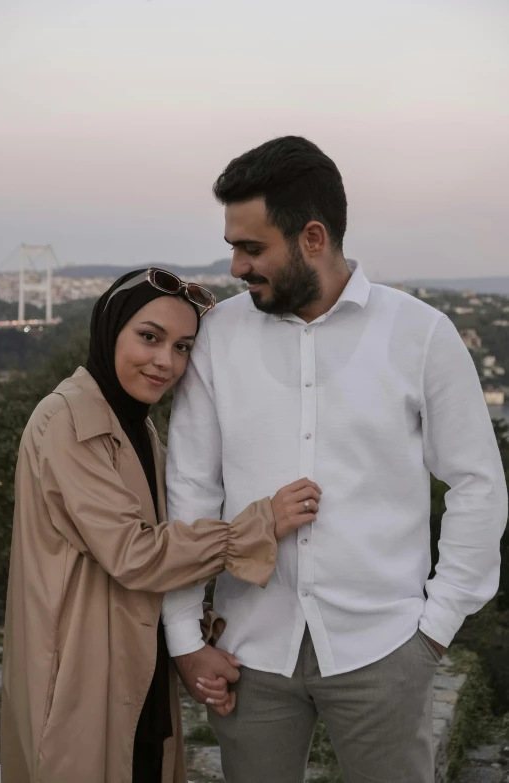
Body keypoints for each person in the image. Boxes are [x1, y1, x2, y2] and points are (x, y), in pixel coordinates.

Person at [162, 137, 508, 783]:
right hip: (248, 649)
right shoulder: (218, 340)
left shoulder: (422, 335)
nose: (234, 265)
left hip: (386, 649)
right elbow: (189, 490)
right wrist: (184, 635)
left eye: (251, 247)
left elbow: (477, 483)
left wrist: (435, 627)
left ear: (313, 237)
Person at [0, 267, 320, 783]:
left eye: (183, 347)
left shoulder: (133, 424)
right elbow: (135, 553)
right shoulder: (69, 421)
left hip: (131, 660)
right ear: (110, 329)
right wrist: (259, 523)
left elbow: (167, 541)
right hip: (82, 670)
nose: (165, 362)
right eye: (149, 337)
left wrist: (196, 635)